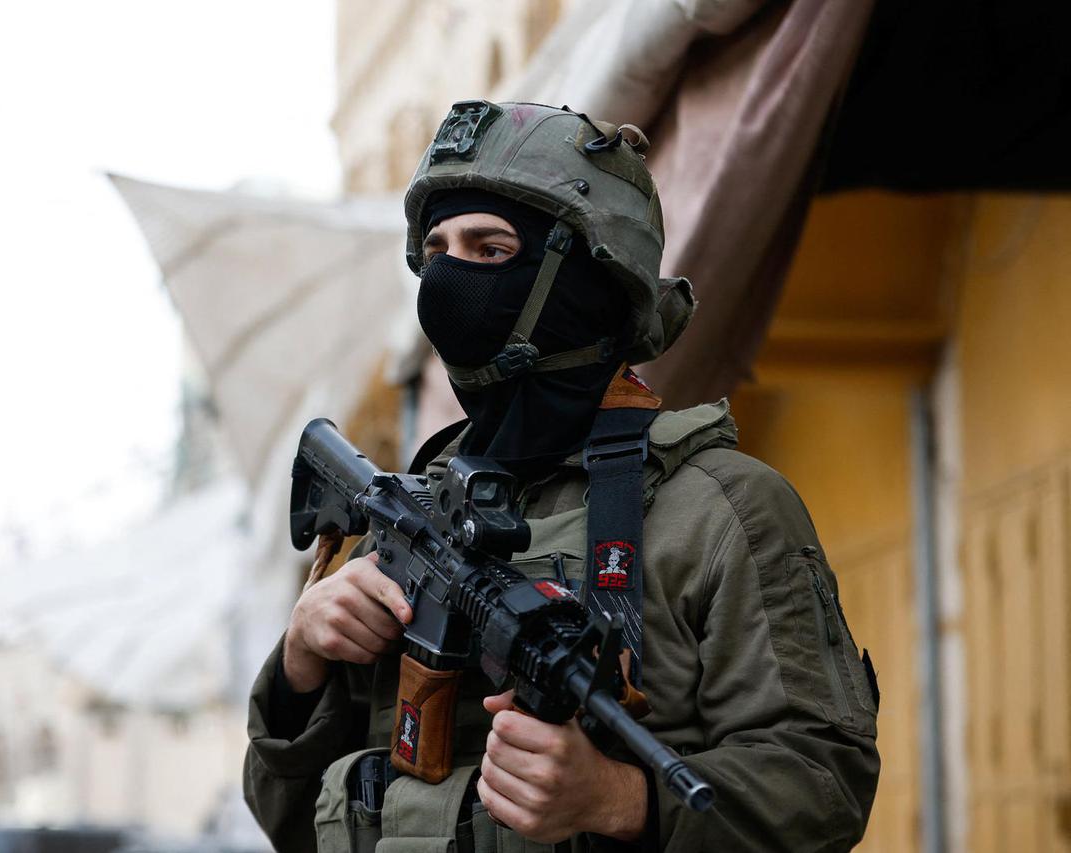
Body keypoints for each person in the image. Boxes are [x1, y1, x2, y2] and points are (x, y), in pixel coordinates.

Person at [244, 100, 880, 851]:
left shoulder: (721, 510)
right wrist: (300, 664)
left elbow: (826, 787)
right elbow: (287, 819)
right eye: (438, 249)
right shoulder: (411, 512)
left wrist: (621, 798)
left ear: (585, 276)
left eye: (489, 249)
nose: (449, 278)